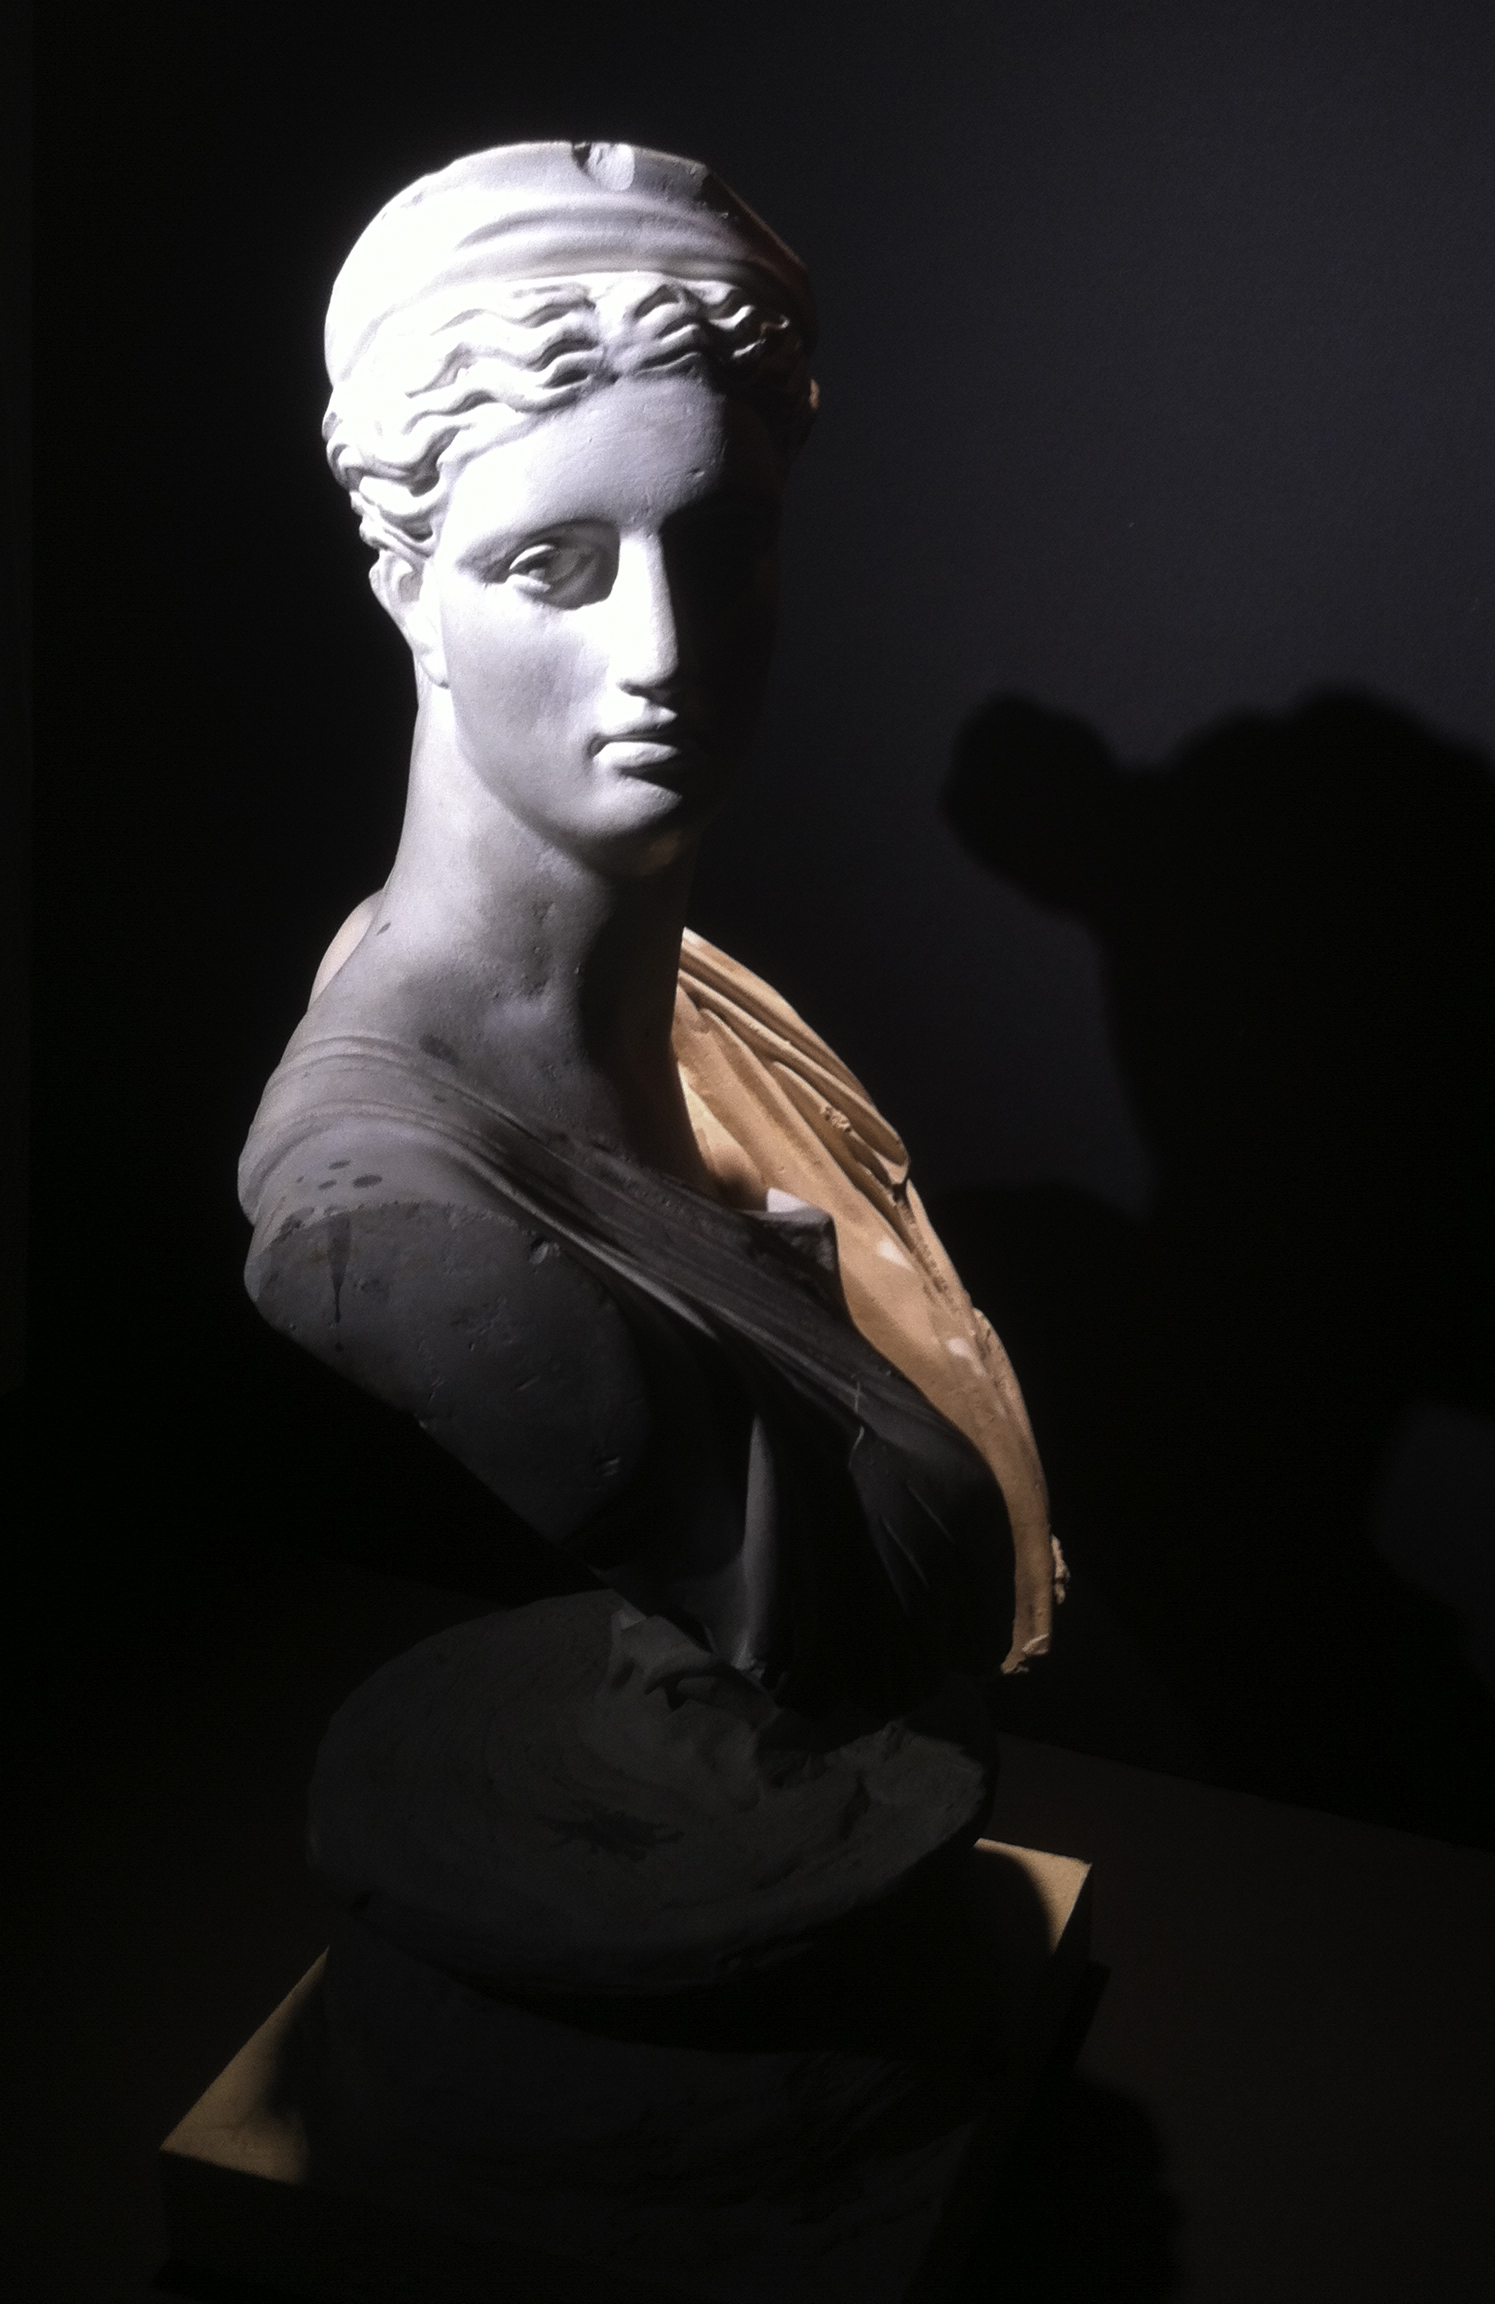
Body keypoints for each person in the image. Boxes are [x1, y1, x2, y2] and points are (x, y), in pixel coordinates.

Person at [240, 142, 1056, 1718]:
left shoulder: (702, 1014)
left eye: (723, 548)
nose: (662, 651)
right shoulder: (387, 1218)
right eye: (555, 566)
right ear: (406, 587)